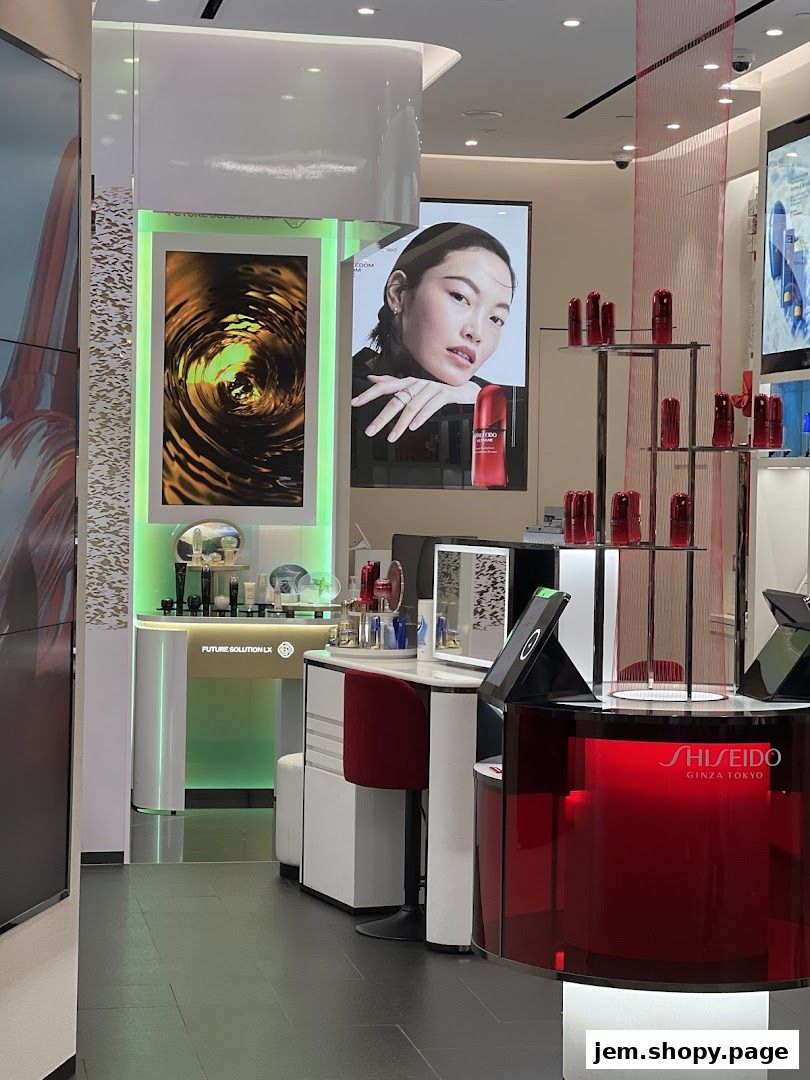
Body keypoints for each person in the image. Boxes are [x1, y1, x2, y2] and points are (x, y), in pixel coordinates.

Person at [351, 222, 517, 444]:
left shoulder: (486, 395)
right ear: (399, 293)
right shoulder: (334, 392)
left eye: (496, 319)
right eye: (460, 297)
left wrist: (477, 398)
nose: (476, 332)